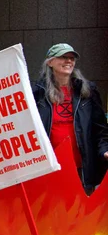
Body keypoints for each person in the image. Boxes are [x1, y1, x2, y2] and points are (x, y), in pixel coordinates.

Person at [32, 43, 108, 195]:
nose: (69, 61)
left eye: (72, 58)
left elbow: (100, 129)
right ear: (50, 62)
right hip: (50, 168)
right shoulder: (36, 92)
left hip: (81, 168)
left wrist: (105, 150)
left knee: (81, 215)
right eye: (63, 57)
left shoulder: (88, 90)